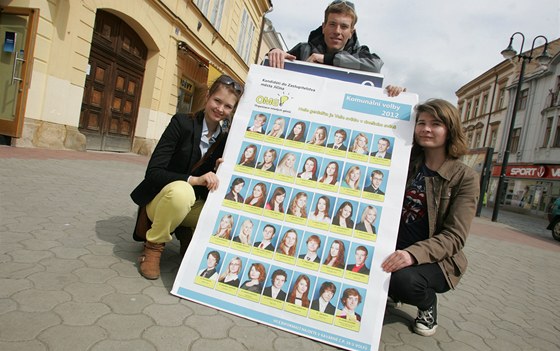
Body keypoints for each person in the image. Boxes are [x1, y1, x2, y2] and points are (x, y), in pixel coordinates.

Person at [381, 99, 479, 337]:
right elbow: (382, 131)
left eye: (435, 124)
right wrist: (395, 97)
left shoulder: (464, 177)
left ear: (450, 130)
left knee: (404, 280)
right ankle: (388, 294)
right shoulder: (406, 161)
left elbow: (455, 237)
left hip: (435, 259)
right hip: (392, 245)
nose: (426, 129)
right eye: (421, 123)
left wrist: (412, 255)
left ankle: (427, 305)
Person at [130, 74, 243, 280]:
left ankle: (185, 229)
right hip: (161, 200)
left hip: (190, 204)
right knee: (182, 192)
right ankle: (153, 247)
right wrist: (194, 180)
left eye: (227, 106)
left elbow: (215, 185)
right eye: (217, 101)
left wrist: (221, 172)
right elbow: (154, 172)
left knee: (226, 214)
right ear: (208, 96)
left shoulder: (227, 139)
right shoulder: (181, 123)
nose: (220, 109)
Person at [267, 1, 404, 97]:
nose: (337, 31)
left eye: (344, 26)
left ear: (351, 32)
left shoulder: (360, 54)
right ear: (323, 26)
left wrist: (327, 59)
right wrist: (274, 52)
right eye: (332, 24)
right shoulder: (303, 50)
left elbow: (375, 66)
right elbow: (274, 70)